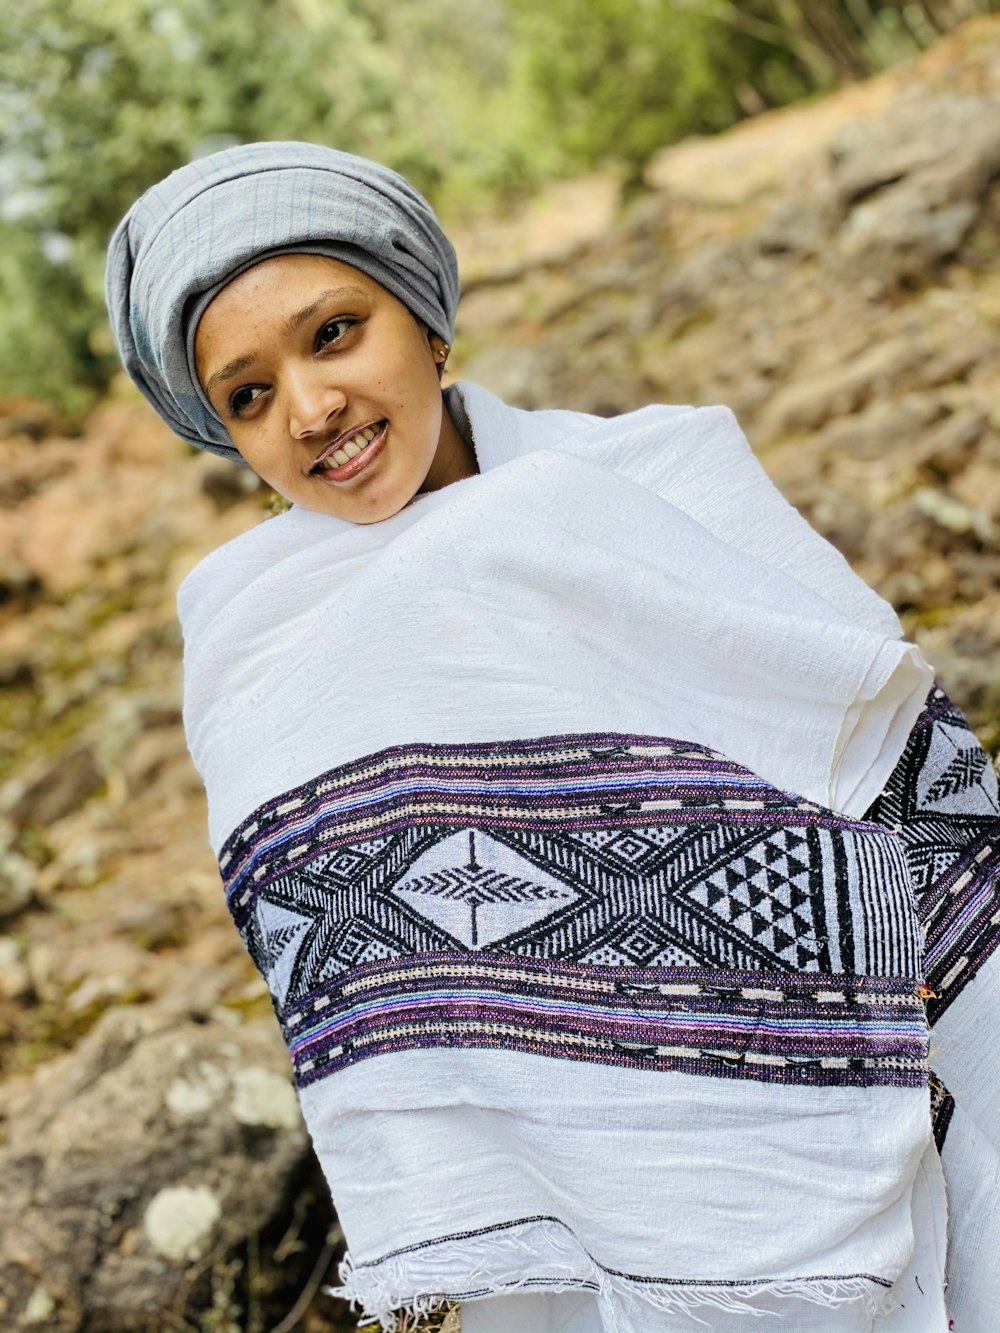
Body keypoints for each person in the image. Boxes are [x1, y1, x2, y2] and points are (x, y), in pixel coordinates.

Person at [105, 141, 999, 1333]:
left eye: (332, 333)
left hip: (877, 1049)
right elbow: (347, 965)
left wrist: (879, 961)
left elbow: (886, 751)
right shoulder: (256, 639)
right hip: (553, 1181)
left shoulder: (657, 473)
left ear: (423, 317)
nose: (312, 410)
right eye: (249, 395)